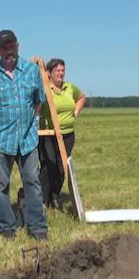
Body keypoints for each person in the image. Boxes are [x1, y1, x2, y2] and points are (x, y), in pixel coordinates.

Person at [0, 30, 47, 240]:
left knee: (33, 182)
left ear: (18, 46)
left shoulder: (31, 71)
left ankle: (38, 227)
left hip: (28, 139)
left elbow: (38, 101)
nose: (10, 51)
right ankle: (6, 228)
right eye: (5, 48)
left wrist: (31, 124)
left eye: (12, 46)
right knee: (1, 185)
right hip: (1, 140)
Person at [38, 58, 86, 209]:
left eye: (62, 70)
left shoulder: (69, 87)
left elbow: (82, 97)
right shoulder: (44, 89)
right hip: (48, 134)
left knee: (61, 167)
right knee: (48, 165)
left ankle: (54, 196)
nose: (61, 73)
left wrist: (76, 112)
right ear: (49, 73)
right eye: (57, 70)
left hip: (67, 135)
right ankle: (43, 199)